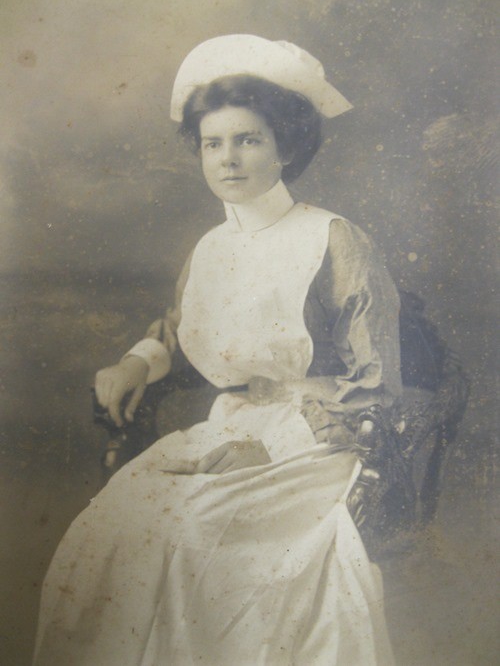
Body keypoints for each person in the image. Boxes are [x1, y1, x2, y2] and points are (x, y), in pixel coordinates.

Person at [33, 35, 401, 665]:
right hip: (227, 431)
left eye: (247, 140)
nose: (227, 159)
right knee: (110, 527)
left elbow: (376, 386)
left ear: (284, 146)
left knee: (200, 529)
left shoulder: (333, 239)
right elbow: (179, 330)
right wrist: (134, 361)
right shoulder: (211, 247)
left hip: (316, 444)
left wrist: (278, 444)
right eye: (213, 143)